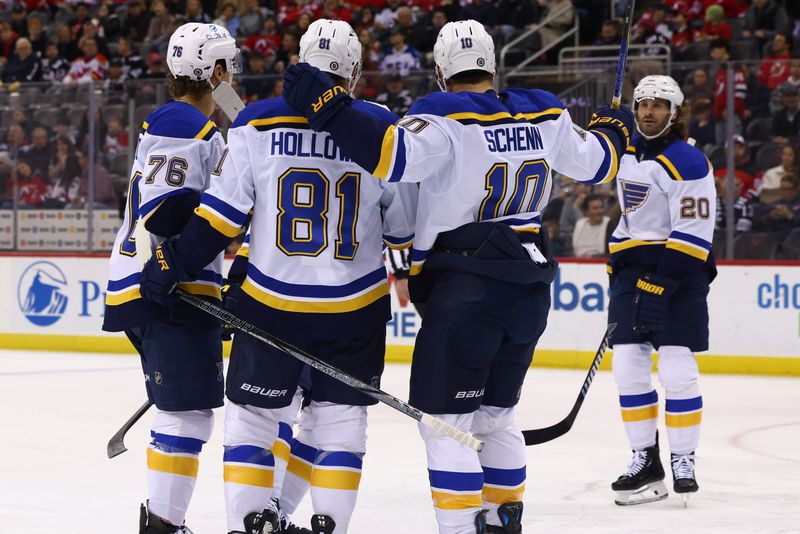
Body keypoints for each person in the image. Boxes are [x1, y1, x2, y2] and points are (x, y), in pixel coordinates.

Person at [281, 19, 633, 533]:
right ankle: (502, 518)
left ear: (442, 72)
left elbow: (389, 157)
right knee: (495, 419)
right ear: (493, 64)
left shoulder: (441, 115)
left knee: (447, 428)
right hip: (529, 289)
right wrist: (612, 127)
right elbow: (601, 163)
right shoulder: (544, 111)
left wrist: (329, 106)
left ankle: (463, 527)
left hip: (464, 294)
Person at [134, 19, 416, 534]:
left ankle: (250, 525)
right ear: (352, 72)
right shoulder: (382, 128)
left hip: (271, 306)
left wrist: (174, 261)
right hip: (356, 310)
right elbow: (401, 227)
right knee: (339, 423)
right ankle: (327, 524)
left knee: (255, 421)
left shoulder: (255, 122)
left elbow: (220, 218)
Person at [101, 22, 241, 534]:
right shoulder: (184, 123)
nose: (234, 76)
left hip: (163, 283)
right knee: (186, 414)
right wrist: (173, 263)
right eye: (228, 67)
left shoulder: (183, 121)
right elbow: (167, 209)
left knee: (188, 409)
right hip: (165, 287)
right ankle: (162, 525)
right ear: (215, 71)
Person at [606, 75, 716, 507]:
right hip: (632, 272)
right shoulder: (626, 152)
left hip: (679, 272)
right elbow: (588, 159)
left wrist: (662, 281)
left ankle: (683, 458)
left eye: (659, 105)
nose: (649, 111)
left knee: (676, 368)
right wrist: (607, 128)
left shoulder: (689, 162)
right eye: (642, 104)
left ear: (675, 112)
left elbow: (693, 232)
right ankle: (644, 459)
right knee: (628, 366)